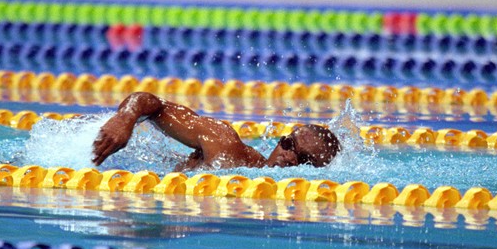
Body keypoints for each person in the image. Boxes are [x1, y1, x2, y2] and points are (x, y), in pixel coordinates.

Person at [92, 92, 341, 171]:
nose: (289, 157)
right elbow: (152, 103)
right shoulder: (224, 143)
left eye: (303, 159)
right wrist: (125, 118)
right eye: (288, 144)